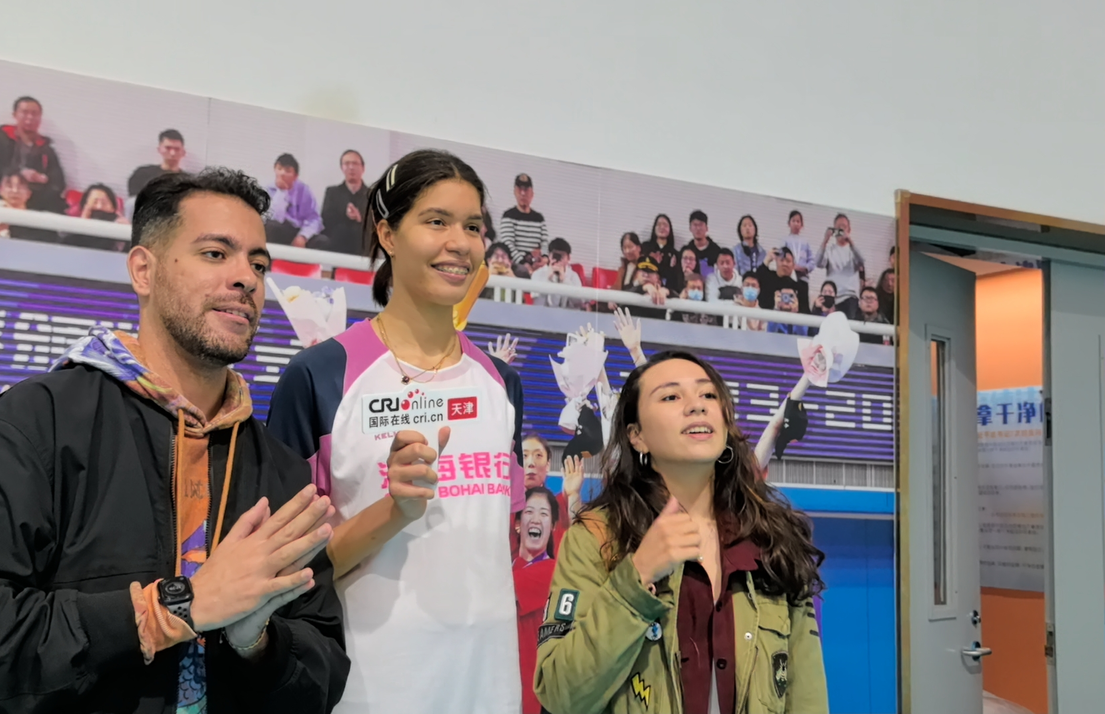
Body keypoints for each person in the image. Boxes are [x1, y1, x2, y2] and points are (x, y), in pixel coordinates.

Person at [0, 169, 350, 713]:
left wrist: (257, 642)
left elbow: (320, 681)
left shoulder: (280, 472)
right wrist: (172, 609)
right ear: (143, 270)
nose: (246, 277)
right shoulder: (37, 425)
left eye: (258, 263)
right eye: (216, 254)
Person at [265, 149, 525, 713]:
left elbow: (492, 543)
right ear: (386, 232)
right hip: (369, 686)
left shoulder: (501, 384)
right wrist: (393, 512)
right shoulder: (320, 376)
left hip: (490, 684)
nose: (460, 242)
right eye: (436, 221)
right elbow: (285, 565)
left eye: (474, 226)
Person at [533, 350, 827, 714]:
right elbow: (561, 695)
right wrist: (635, 579)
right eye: (671, 396)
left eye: (708, 395)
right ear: (636, 436)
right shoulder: (596, 538)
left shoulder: (772, 540)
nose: (696, 406)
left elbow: (807, 698)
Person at [513, 486, 560, 714]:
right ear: (518, 523)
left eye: (544, 514)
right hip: (495, 684)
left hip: (528, 697)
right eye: (529, 511)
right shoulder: (507, 566)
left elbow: (500, 590)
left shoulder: (552, 570)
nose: (536, 518)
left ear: (552, 527)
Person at [0, 96, 67, 212]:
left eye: (34, 114)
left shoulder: (46, 149)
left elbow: (58, 182)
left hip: (33, 200)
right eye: (25, 112)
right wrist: (20, 173)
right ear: (15, 115)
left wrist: (43, 179)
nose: (30, 117)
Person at [0, 168, 61, 242]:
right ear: (0, 190)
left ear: (29, 193)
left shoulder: (38, 222)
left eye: (20, 187)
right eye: (9, 185)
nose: (15, 191)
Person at [264, 153, 325, 249]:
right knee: (271, 227)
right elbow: (275, 218)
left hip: (298, 230)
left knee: (322, 241)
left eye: (287, 171)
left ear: (295, 176)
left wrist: (303, 236)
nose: (282, 173)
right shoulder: (268, 190)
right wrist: (282, 192)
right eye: (279, 169)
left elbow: (315, 219)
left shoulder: (304, 191)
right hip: (279, 229)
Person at [319, 149, 370, 256]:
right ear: (342, 168)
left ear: (363, 168)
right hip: (337, 246)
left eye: (355, 163)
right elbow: (325, 220)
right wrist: (345, 213)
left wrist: (359, 218)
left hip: (362, 247)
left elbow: (375, 225)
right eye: (347, 164)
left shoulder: (372, 195)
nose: (351, 167)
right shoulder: (332, 192)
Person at [817, 213, 866, 318]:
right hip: (832, 298)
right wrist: (825, 240)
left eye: (844, 227)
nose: (841, 230)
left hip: (849, 297)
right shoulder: (830, 250)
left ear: (849, 230)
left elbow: (862, 261)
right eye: (838, 228)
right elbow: (818, 263)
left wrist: (850, 241)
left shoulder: (853, 250)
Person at [498, 173, 548, 261]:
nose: (523, 193)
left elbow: (545, 243)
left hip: (537, 263)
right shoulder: (508, 216)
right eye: (519, 189)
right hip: (516, 264)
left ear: (532, 193)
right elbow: (508, 244)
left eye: (526, 189)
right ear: (514, 192)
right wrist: (523, 262)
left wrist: (544, 259)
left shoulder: (539, 219)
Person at [529, 237, 586, 309]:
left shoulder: (573, 276)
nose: (558, 259)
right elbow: (538, 305)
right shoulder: (538, 274)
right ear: (549, 256)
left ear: (568, 258)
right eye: (555, 255)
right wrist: (548, 280)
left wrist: (565, 281)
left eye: (561, 256)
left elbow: (579, 303)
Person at [128, 129, 187, 197]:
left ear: (183, 152)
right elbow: (134, 200)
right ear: (159, 149)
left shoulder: (188, 181)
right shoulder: (142, 174)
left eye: (177, 149)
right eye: (168, 148)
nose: (172, 153)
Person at [758, 246, 811, 312]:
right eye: (781, 260)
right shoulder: (767, 278)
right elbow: (756, 279)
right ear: (776, 262)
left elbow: (806, 313)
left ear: (793, 265)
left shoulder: (800, 287)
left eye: (788, 261)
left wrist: (797, 309)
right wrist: (767, 260)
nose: (784, 264)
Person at [639, 214, 680, 290]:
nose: (662, 227)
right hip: (645, 288)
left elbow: (674, 278)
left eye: (665, 225)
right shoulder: (645, 247)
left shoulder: (675, 254)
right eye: (659, 224)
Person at [681, 209, 720, 277]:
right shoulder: (685, 251)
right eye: (695, 225)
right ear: (690, 228)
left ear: (707, 228)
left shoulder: (716, 251)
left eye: (701, 225)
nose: (698, 228)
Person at [783, 210, 816, 285]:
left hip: (803, 276)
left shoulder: (805, 242)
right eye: (793, 221)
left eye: (798, 221)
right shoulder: (785, 240)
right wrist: (791, 266)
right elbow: (781, 257)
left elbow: (812, 260)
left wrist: (805, 268)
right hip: (788, 276)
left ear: (802, 225)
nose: (795, 223)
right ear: (789, 223)